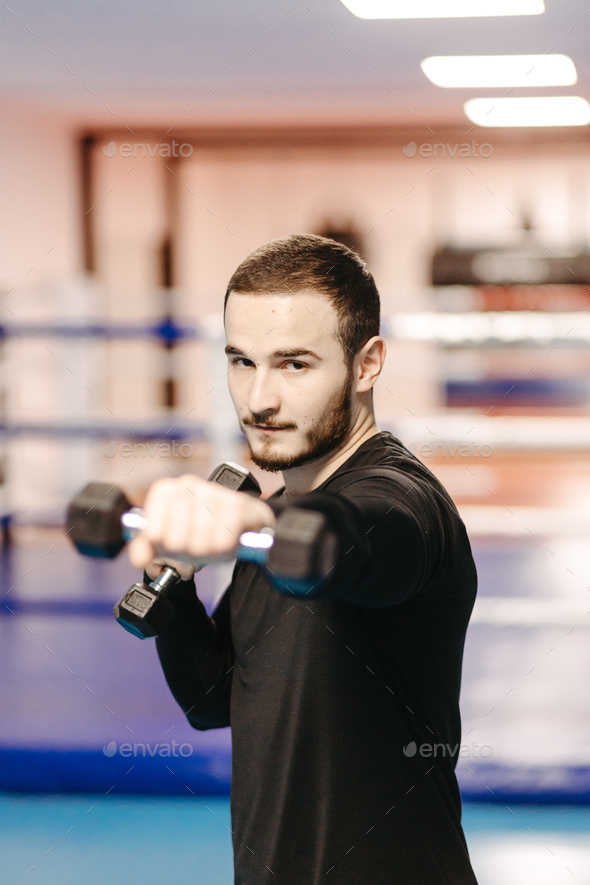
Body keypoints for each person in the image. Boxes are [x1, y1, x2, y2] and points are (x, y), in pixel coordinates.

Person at [129, 233, 479, 884]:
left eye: (294, 365)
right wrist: (170, 580)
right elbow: (214, 698)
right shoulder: (279, 514)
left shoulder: (402, 502)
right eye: (241, 361)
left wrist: (260, 520)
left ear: (368, 362)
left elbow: (356, 535)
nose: (258, 398)